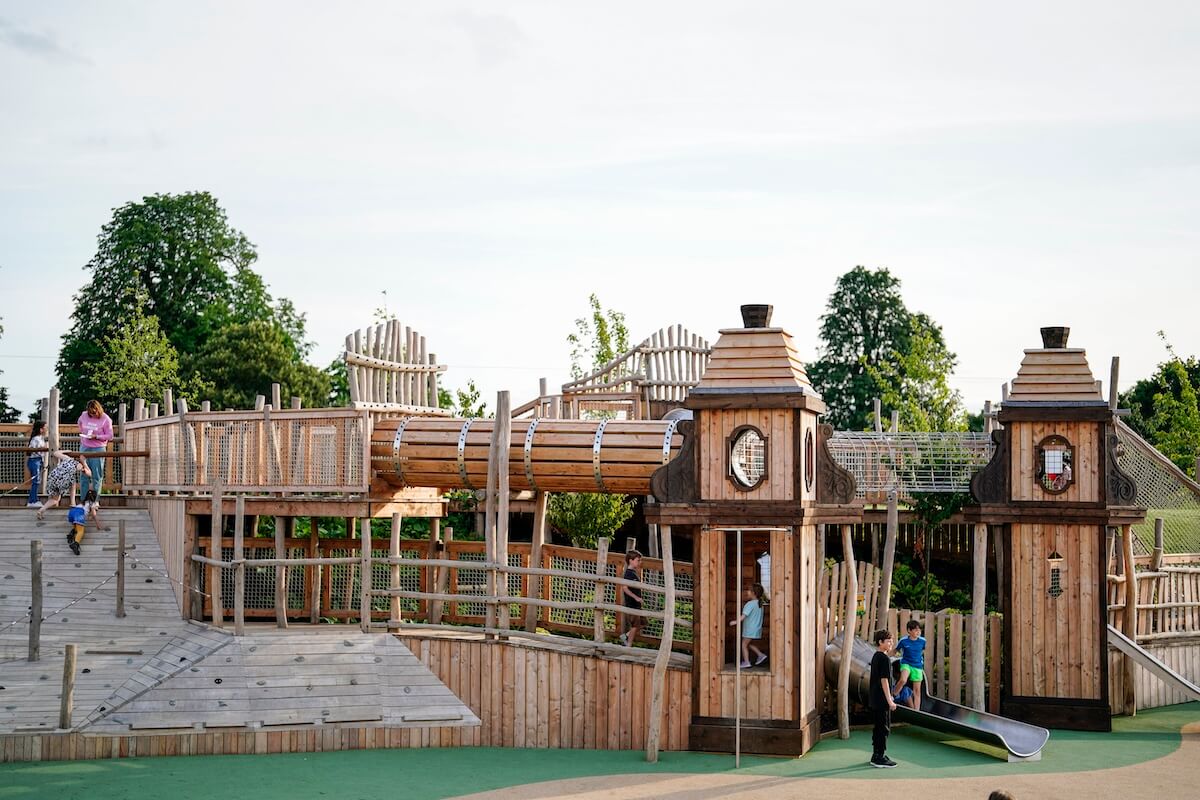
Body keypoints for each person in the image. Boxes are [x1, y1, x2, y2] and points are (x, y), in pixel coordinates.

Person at [869, 628, 898, 768]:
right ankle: (879, 757)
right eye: (888, 641)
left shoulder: (876, 656)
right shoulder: (885, 659)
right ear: (880, 642)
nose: (891, 643)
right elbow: (884, 680)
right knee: (883, 728)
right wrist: (890, 700)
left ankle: (876, 754)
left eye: (891, 641)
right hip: (881, 700)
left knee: (878, 727)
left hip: (875, 699)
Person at [35, 451, 91, 520]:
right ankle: (72, 503)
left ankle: (41, 510)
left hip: (52, 478)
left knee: (55, 499)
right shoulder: (79, 465)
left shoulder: (67, 458)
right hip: (61, 482)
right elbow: (89, 474)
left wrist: (67, 451)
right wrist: (84, 463)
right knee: (72, 483)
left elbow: (55, 453)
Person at [77, 399, 113, 501]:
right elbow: (79, 424)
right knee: (84, 474)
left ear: (98, 410)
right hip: (85, 447)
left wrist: (96, 436)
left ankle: (95, 501)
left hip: (98, 448)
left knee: (96, 475)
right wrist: (84, 434)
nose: (93, 415)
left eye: (94, 412)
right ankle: (84, 500)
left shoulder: (106, 419)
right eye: (90, 413)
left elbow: (110, 436)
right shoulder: (83, 415)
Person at [729, 582, 768, 668]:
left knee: (744, 644)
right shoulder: (760, 604)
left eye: (749, 590)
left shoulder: (750, 604)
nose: (747, 592)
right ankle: (760, 655)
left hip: (750, 629)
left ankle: (747, 662)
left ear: (753, 593)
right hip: (756, 629)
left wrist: (735, 622)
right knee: (748, 644)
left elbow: (743, 617)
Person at [893, 619, 926, 709]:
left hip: (917, 666)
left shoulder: (923, 641)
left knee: (917, 690)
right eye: (915, 630)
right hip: (906, 663)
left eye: (919, 630)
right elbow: (895, 651)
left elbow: (922, 650)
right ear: (909, 630)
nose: (918, 632)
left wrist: (918, 659)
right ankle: (894, 694)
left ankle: (916, 711)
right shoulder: (903, 641)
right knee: (903, 680)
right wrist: (885, 657)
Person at [618, 550, 643, 647]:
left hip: (637, 604)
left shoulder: (634, 572)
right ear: (631, 560)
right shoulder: (628, 574)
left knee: (643, 623)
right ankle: (629, 645)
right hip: (632, 603)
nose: (639, 562)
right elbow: (625, 588)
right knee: (635, 625)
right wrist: (636, 598)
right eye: (638, 560)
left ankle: (625, 636)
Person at [66, 490, 103, 556]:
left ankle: (71, 534)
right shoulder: (92, 503)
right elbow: (94, 515)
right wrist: (98, 525)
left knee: (77, 526)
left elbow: (88, 513)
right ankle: (75, 544)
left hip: (72, 511)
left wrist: (89, 517)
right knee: (81, 531)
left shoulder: (83, 502)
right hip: (79, 513)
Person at [26, 421, 47, 508]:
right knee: (36, 481)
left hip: (38, 460)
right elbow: (32, 449)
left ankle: (34, 499)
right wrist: (42, 449)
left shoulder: (40, 438)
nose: (46, 429)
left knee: (37, 481)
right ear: (41, 429)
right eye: (45, 427)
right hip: (34, 460)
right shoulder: (35, 439)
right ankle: (32, 501)